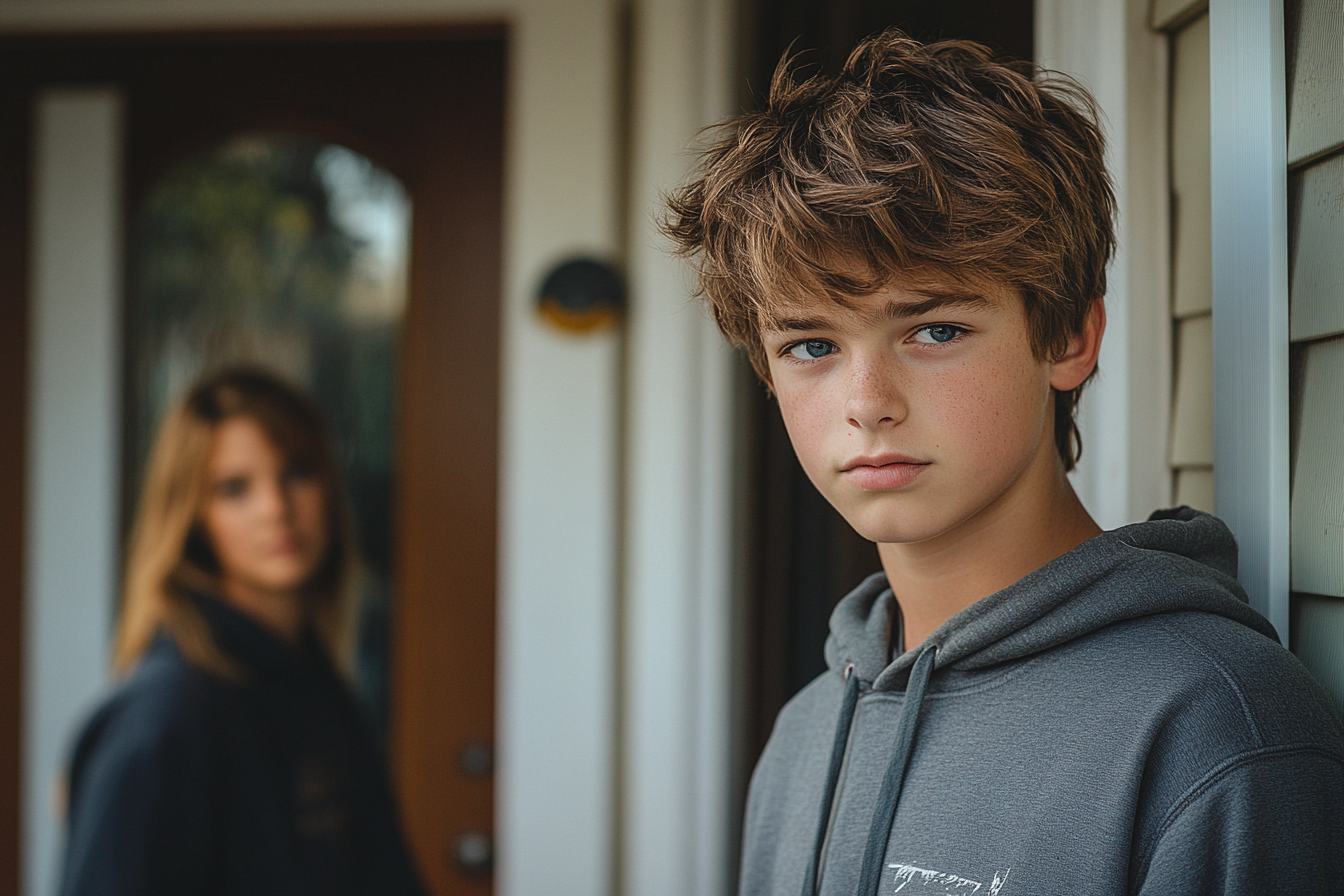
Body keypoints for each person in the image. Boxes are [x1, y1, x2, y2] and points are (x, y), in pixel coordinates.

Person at [663, 29, 1344, 895]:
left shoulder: (1212, 728)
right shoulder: (805, 733)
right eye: (810, 345)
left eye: (935, 329)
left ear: (1067, 337)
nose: (867, 400)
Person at [60, 368, 425, 896]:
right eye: (234, 489)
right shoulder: (169, 713)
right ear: (193, 516)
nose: (276, 509)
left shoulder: (318, 685)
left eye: (297, 472)